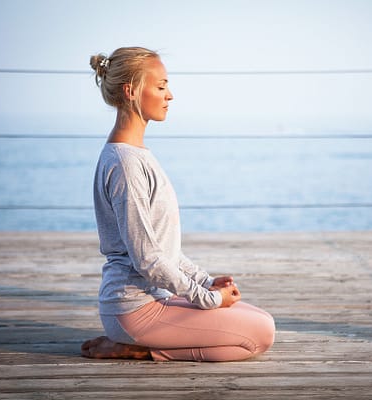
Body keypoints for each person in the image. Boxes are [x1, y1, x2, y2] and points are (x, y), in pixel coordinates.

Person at [81, 47, 275, 362]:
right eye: (160, 86)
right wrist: (208, 299)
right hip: (135, 310)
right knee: (259, 336)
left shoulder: (137, 154)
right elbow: (148, 260)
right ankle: (139, 349)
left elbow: (162, 248)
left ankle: (142, 343)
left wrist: (205, 281)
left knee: (260, 320)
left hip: (154, 302)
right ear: (131, 91)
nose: (169, 95)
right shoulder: (125, 163)